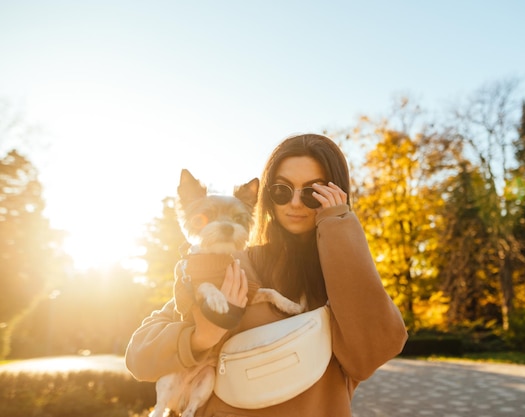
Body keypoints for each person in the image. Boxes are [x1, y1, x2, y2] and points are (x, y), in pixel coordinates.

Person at [125, 133, 408, 416]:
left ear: (336, 194)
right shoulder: (228, 262)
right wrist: (201, 337)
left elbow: (372, 354)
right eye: (282, 190)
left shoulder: (348, 270)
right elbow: (139, 355)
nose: (295, 202)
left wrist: (338, 224)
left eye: (312, 192)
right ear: (266, 197)